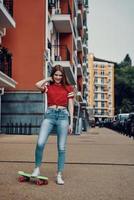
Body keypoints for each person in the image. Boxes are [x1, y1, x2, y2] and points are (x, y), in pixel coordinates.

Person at [32, 65, 74, 185]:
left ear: (63, 76)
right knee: (40, 143)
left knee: (61, 148)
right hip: (49, 116)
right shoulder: (48, 87)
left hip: (63, 117)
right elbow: (37, 85)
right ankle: (37, 168)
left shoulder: (68, 88)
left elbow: (70, 106)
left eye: (60, 75)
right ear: (53, 75)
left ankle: (59, 174)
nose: (58, 77)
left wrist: (71, 122)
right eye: (56, 75)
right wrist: (47, 78)